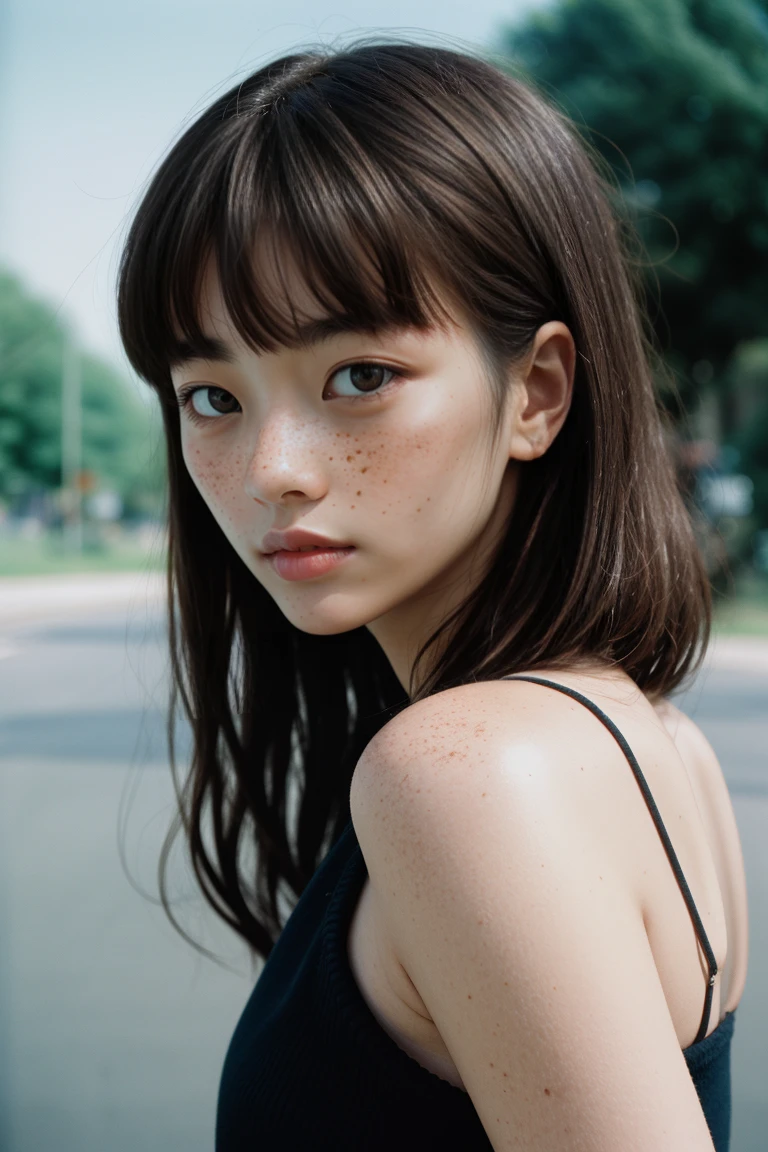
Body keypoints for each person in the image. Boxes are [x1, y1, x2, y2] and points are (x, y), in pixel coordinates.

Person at [117, 39, 748, 1151]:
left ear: (537, 394)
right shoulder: (643, 729)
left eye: (360, 376)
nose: (273, 468)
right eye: (211, 394)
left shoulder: (464, 777)